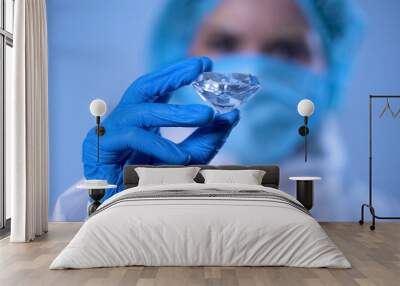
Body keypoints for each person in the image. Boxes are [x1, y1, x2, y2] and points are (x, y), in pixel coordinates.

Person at [55, 0, 366, 221]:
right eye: (225, 43)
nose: (253, 68)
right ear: (179, 52)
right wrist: (110, 206)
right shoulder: (135, 173)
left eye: (285, 49)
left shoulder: (368, 216)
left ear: (331, 68)